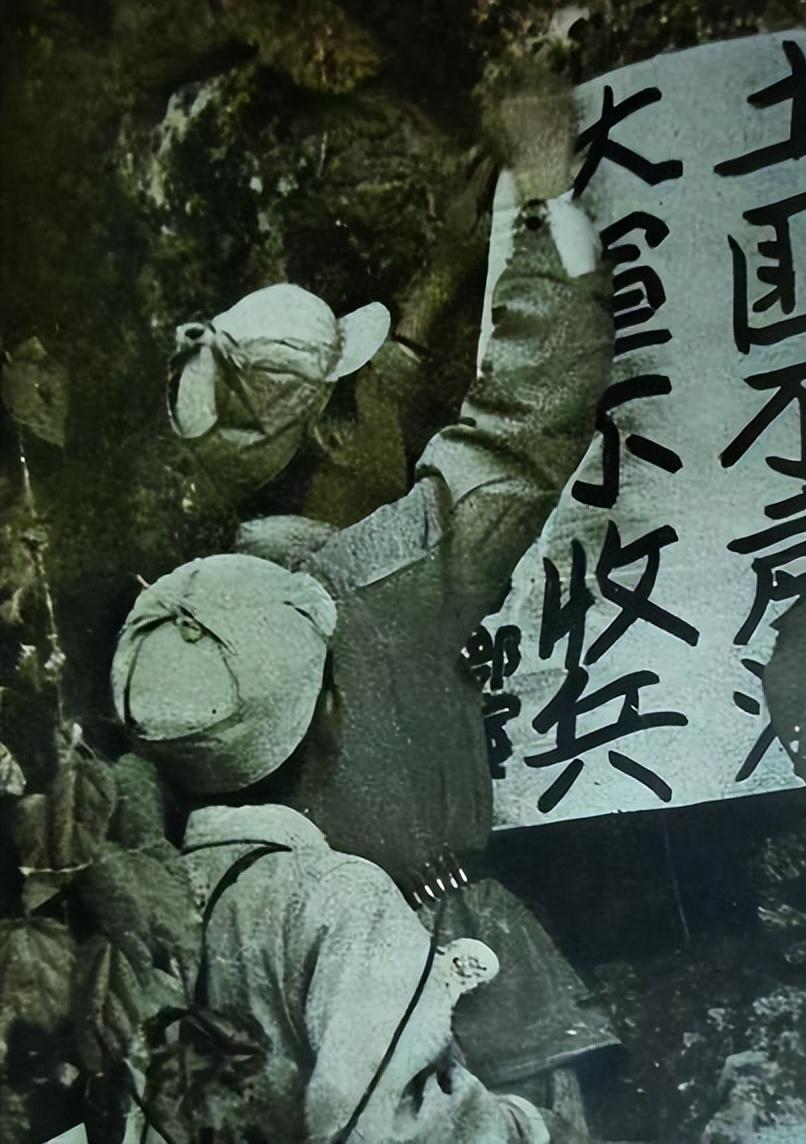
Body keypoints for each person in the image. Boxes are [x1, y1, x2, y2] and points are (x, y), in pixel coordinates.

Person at [110, 65, 615, 1143]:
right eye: (366, 386)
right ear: (337, 430)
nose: (398, 389)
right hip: (453, 1006)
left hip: (276, 1025)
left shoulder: (206, 623)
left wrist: (436, 280)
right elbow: (528, 416)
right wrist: (545, 196)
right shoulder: (383, 583)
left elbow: (376, 398)